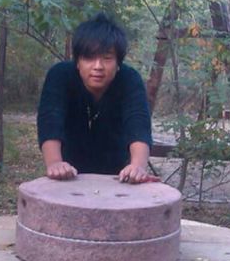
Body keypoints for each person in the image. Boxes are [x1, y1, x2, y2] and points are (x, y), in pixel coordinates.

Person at [37, 12, 159, 184]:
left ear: (118, 63)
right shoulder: (60, 76)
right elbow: (50, 120)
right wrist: (55, 163)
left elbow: (138, 124)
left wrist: (138, 166)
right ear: (77, 61)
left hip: (118, 176)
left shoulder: (130, 80)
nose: (98, 66)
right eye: (89, 58)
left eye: (107, 58)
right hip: (69, 173)